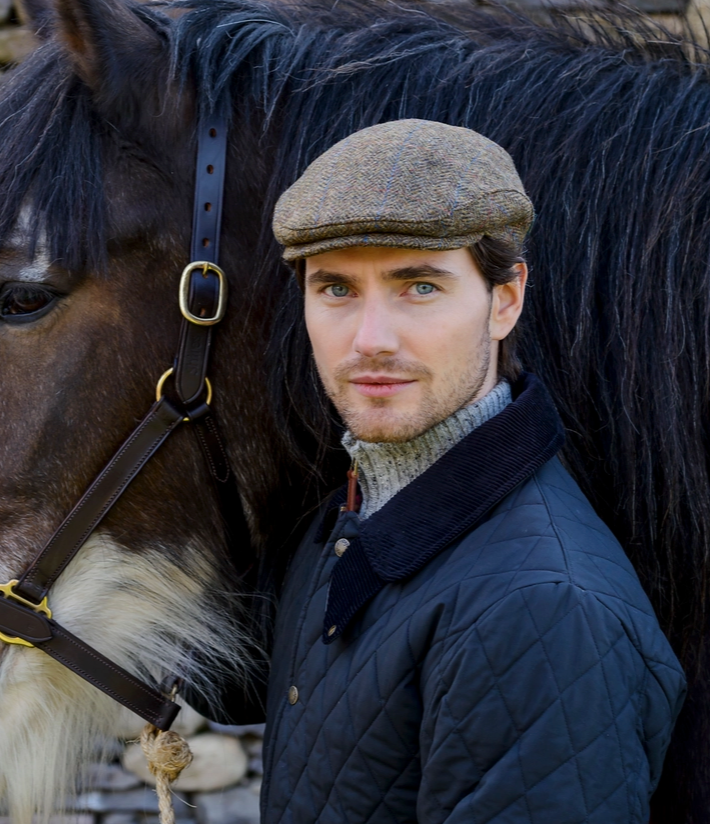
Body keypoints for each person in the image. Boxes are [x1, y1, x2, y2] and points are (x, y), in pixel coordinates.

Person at [258, 120, 686, 823]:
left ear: (506, 299)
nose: (369, 341)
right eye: (335, 288)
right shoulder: (350, 509)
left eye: (419, 286)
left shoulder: (544, 613)